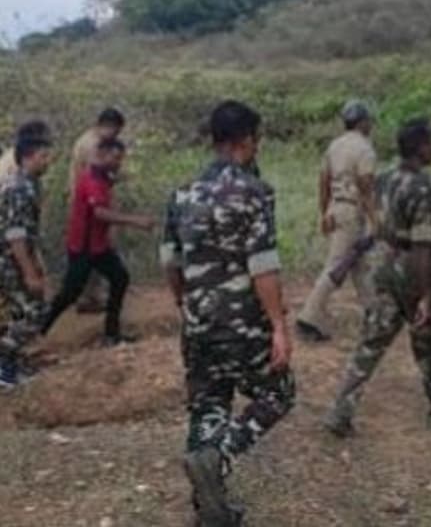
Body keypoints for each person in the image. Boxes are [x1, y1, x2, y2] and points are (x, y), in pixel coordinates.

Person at [160, 100, 294, 526]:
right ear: (244, 141)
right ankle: (219, 456)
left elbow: (170, 261)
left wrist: (185, 304)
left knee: (208, 406)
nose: (257, 148)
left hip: (198, 323)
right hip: (243, 324)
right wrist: (278, 326)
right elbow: (263, 265)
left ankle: (210, 512)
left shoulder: (182, 194)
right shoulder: (255, 192)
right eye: (256, 140)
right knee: (278, 394)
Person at [323, 118, 431, 437]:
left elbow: (380, 224)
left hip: (384, 266)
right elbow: (422, 248)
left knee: (371, 343)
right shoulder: (421, 187)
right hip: (413, 270)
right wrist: (425, 296)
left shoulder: (386, 178)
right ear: (421, 147)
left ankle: (340, 412)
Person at [41, 138, 155, 346]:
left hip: (97, 246)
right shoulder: (93, 180)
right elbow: (100, 213)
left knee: (120, 278)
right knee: (69, 294)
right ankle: (37, 330)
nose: (119, 163)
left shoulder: (100, 176)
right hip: (84, 247)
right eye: (116, 158)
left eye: (120, 159)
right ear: (102, 155)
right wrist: (136, 221)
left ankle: (111, 333)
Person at [296, 100, 377, 342]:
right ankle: (309, 316)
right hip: (352, 210)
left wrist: (324, 213)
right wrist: (375, 219)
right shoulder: (364, 149)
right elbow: (366, 187)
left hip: (336, 208)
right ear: (362, 122)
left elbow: (323, 181)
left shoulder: (335, 146)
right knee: (336, 265)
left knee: (359, 263)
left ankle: (373, 311)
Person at [0, 135, 55, 387]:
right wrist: (29, 272)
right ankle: (4, 366)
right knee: (35, 312)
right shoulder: (18, 188)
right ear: (27, 157)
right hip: (10, 262)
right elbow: (16, 235)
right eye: (43, 156)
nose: (48, 161)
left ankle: (11, 364)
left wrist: (37, 264)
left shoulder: (30, 185)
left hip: (17, 259)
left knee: (20, 313)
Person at [67, 108, 127, 315]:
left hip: (86, 201)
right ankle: (87, 297)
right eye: (116, 131)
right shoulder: (93, 145)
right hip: (90, 204)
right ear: (108, 126)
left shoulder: (87, 140)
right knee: (96, 250)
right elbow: (97, 176)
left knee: (94, 251)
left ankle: (89, 295)